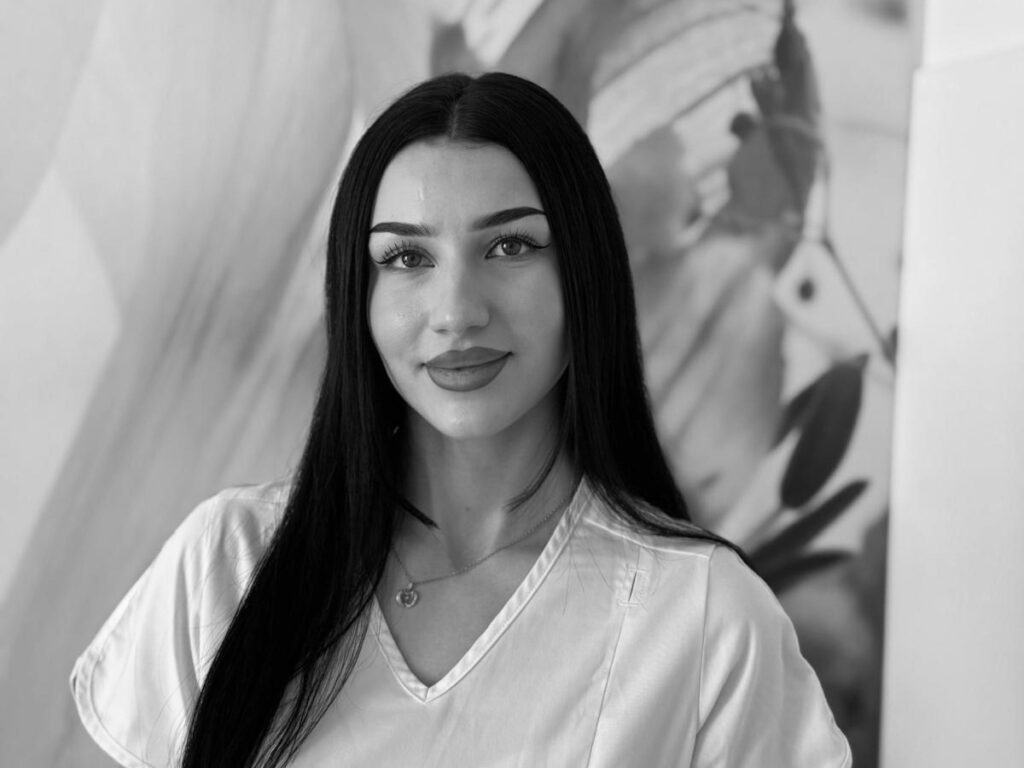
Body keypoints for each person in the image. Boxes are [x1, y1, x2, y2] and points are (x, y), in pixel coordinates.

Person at [70, 72, 852, 767]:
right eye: (406, 258)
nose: (455, 311)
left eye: (510, 246)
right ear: (359, 295)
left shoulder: (703, 615)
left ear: (584, 272)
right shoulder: (226, 565)